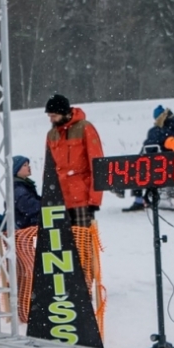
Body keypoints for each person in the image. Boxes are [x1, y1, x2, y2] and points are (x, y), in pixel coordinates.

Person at [44, 94, 103, 226]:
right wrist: (48, 196)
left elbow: (97, 165)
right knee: (63, 245)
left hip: (82, 198)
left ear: (63, 112)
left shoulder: (85, 128)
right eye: (50, 117)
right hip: (59, 200)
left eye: (54, 116)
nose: (51, 120)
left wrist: (95, 199)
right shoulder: (51, 134)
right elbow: (49, 169)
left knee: (84, 243)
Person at [126, 105, 174, 211]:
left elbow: (149, 146)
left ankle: (138, 200)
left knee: (137, 168)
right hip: (173, 162)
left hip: (159, 163)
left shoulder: (157, 131)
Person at [12, 155, 42, 324]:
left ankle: (27, 307)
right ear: (16, 170)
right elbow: (29, 207)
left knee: (26, 270)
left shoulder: (23, 186)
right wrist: (46, 204)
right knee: (27, 271)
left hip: (23, 233)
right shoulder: (18, 188)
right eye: (25, 165)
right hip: (20, 233)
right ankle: (26, 309)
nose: (28, 168)